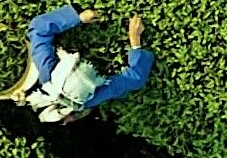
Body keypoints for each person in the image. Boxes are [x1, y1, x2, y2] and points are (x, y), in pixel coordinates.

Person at [10, 7, 154, 124]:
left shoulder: (49, 71)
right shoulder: (90, 96)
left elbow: (38, 28)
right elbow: (136, 79)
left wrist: (78, 18)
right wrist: (135, 40)